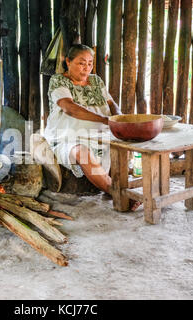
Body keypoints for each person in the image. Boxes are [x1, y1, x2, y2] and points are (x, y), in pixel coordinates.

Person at [43, 44, 141, 211]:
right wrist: (104, 120)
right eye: (81, 63)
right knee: (82, 153)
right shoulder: (58, 81)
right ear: (68, 61)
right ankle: (116, 192)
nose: (86, 68)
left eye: (90, 63)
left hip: (100, 134)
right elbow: (70, 108)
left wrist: (118, 118)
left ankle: (116, 186)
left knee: (121, 147)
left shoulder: (96, 81)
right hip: (67, 137)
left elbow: (111, 104)